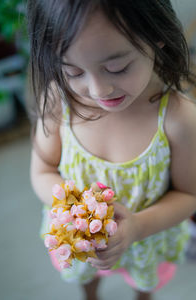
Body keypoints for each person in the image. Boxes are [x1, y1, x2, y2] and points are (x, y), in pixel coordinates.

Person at [27, 1, 196, 300]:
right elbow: (42, 169)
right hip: (81, 241)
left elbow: (189, 196)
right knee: (87, 275)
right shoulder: (59, 98)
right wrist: (73, 209)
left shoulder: (178, 119)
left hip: (145, 240)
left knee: (143, 282)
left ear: (156, 38)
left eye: (117, 68)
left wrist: (137, 227)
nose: (98, 90)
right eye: (74, 71)